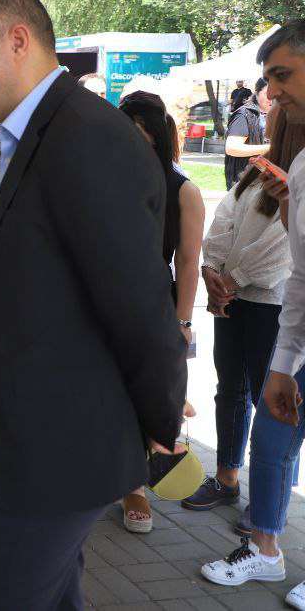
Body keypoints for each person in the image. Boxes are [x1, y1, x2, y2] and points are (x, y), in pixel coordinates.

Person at [0, 0, 187, 609]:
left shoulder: (87, 137)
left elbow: (140, 306)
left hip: (56, 449)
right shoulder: (35, 134)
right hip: (27, 439)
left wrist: (161, 424)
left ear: (17, 40)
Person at [202, 22, 305, 602]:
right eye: (269, 83)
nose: (272, 97)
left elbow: (282, 258)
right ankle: (264, 546)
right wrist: (213, 274)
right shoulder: (284, 173)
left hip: (268, 307)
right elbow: (299, 267)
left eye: (282, 77)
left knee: (272, 432)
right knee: (265, 429)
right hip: (285, 327)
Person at [190, 105, 301, 533]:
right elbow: (225, 217)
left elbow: (284, 245)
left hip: (272, 305)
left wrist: (230, 280)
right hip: (232, 298)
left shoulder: (297, 174)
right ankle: (227, 477)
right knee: (230, 390)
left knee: (267, 401)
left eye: (276, 115)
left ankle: (268, 501)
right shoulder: (259, 171)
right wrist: (211, 269)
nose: (267, 116)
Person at [114, 91, 205, 533]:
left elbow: (188, 261)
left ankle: (135, 488)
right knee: (106, 393)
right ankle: (111, 475)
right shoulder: (104, 180)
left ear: (154, 133)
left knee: (146, 398)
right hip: (103, 304)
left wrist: (183, 323)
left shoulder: (183, 190)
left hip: (155, 309)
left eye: (136, 131)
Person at [225, 78, 272, 188]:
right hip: (244, 183)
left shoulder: (278, 115)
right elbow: (232, 148)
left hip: (266, 183)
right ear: (257, 93)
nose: (272, 98)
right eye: (267, 93)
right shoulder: (244, 114)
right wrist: (271, 148)